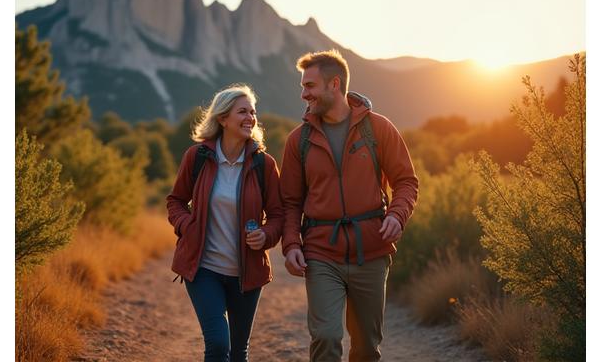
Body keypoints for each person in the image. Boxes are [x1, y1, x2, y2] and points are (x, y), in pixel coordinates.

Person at [280, 50, 419, 362]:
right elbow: (289, 201)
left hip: (371, 250)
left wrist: (397, 214)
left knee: (367, 347)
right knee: (326, 337)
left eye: (310, 86)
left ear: (334, 84)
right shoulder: (297, 141)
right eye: (303, 86)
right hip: (320, 253)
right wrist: (291, 244)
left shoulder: (378, 129)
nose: (304, 94)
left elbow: (406, 181)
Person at [166, 84, 284, 362]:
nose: (250, 118)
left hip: (247, 272)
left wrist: (266, 235)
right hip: (203, 268)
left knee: (239, 352)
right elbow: (175, 201)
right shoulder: (197, 157)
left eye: (253, 112)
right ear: (222, 118)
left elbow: (279, 215)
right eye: (242, 111)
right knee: (219, 345)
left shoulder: (263, 164)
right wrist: (186, 225)